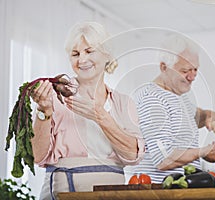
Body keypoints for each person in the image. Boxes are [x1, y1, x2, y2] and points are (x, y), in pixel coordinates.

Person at [30, 21, 144, 199]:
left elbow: (132, 155)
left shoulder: (123, 103)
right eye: (75, 54)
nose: (82, 60)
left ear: (106, 55)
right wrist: (43, 112)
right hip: (63, 193)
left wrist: (100, 116)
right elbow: (37, 156)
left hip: (112, 195)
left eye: (89, 51)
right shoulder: (53, 98)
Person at [132, 35, 215, 183]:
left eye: (195, 69)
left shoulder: (178, 96)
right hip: (160, 191)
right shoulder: (152, 99)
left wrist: (210, 115)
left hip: (181, 188)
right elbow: (163, 159)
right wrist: (203, 152)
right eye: (185, 71)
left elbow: (195, 116)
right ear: (164, 67)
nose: (192, 76)